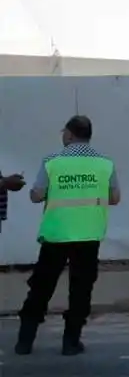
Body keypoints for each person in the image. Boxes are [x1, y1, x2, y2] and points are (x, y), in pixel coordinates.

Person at [15, 115, 121, 356]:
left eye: (64, 132)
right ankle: (71, 343)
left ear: (71, 135)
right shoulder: (105, 164)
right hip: (88, 236)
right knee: (81, 289)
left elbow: (36, 196)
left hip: (56, 235)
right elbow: (114, 199)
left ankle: (25, 342)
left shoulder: (52, 162)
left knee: (41, 287)